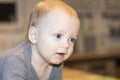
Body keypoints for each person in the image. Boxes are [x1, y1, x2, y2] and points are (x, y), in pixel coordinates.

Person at [0, 0, 80, 80]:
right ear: (34, 35)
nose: (66, 45)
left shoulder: (56, 64)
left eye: (72, 39)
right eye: (58, 36)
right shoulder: (16, 61)